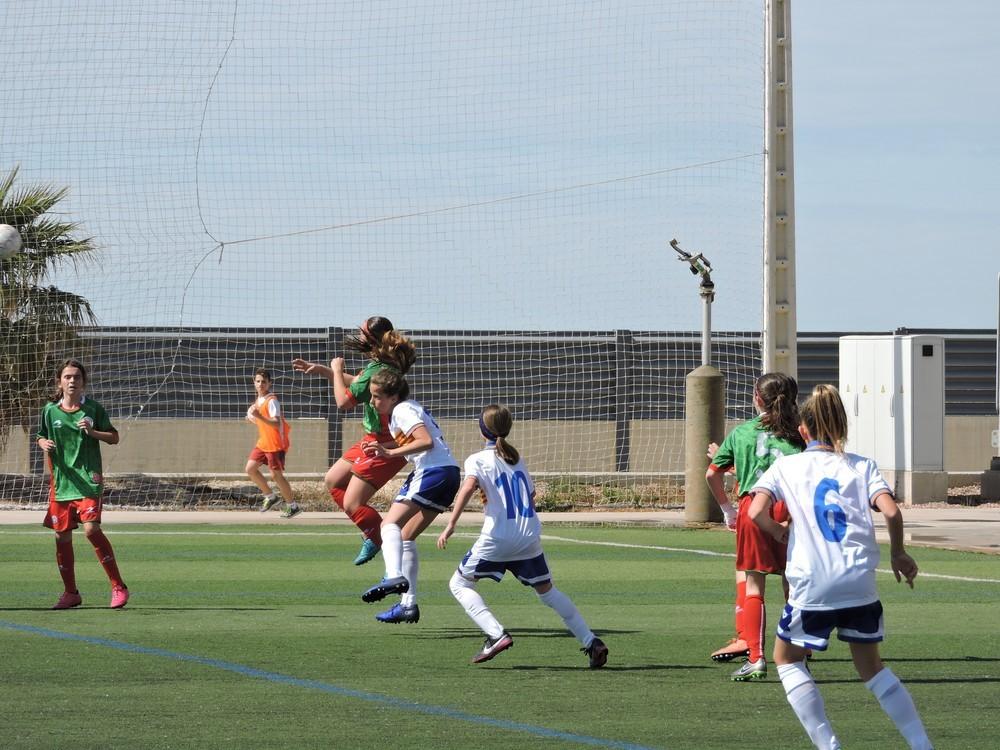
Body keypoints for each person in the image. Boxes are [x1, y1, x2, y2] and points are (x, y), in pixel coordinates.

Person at [748, 384, 932, 750]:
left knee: (786, 659)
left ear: (803, 430)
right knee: (872, 669)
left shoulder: (786, 466)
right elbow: (892, 512)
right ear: (841, 426)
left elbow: (755, 513)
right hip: (859, 582)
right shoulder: (862, 465)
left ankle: (829, 745)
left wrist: (781, 534)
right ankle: (921, 743)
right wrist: (898, 554)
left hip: (813, 583)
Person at [437, 405, 608, 668]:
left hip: (498, 536)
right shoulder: (516, 458)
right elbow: (530, 496)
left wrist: (451, 524)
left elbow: (468, 487)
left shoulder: (477, 459)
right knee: (548, 593)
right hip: (528, 535)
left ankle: (495, 634)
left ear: (482, 430)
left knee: (459, 584)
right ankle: (591, 640)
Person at [291, 316, 416, 565]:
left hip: (387, 442)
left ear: (372, 337)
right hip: (372, 437)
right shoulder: (381, 364)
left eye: (362, 332)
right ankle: (375, 534)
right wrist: (325, 371)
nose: (358, 336)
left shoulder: (380, 366)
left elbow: (344, 402)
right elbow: (359, 386)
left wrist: (336, 370)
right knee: (333, 480)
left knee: (353, 502)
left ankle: (383, 539)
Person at [705, 372, 804, 679]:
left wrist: (727, 510)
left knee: (754, 584)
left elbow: (712, 474)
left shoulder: (742, 432)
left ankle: (757, 657)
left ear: (757, 399)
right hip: (790, 508)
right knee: (794, 580)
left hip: (753, 507)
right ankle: (799, 649)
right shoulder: (800, 434)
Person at [358, 369, 459, 624]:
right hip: (447, 474)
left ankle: (393, 575)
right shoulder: (399, 412)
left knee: (388, 525)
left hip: (432, 471)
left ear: (393, 397)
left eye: (377, 396)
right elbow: (415, 440)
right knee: (404, 537)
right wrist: (383, 449)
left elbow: (425, 441)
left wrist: (389, 454)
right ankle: (408, 605)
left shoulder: (403, 410)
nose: (372, 402)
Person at [37, 359, 129, 610]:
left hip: (88, 480)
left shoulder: (94, 409)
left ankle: (118, 586)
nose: (72, 381)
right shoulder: (50, 410)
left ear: (83, 382)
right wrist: (42, 443)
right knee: (61, 536)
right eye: (67, 377)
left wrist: (93, 432)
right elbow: (41, 435)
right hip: (62, 483)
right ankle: (71, 593)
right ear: (60, 382)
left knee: (90, 530)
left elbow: (114, 437)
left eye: (76, 377)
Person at [245, 368, 299, 518]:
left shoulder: (272, 400)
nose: (260, 384)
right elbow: (259, 419)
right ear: (254, 383)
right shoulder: (258, 401)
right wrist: (252, 418)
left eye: (264, 381)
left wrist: (258, 417)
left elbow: (275, 423)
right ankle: (270, 496)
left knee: (276, 476)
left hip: (275, 444)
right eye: (258, 381)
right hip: (263, 442)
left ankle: (292, 506)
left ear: (269, 383)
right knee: (250, 469)